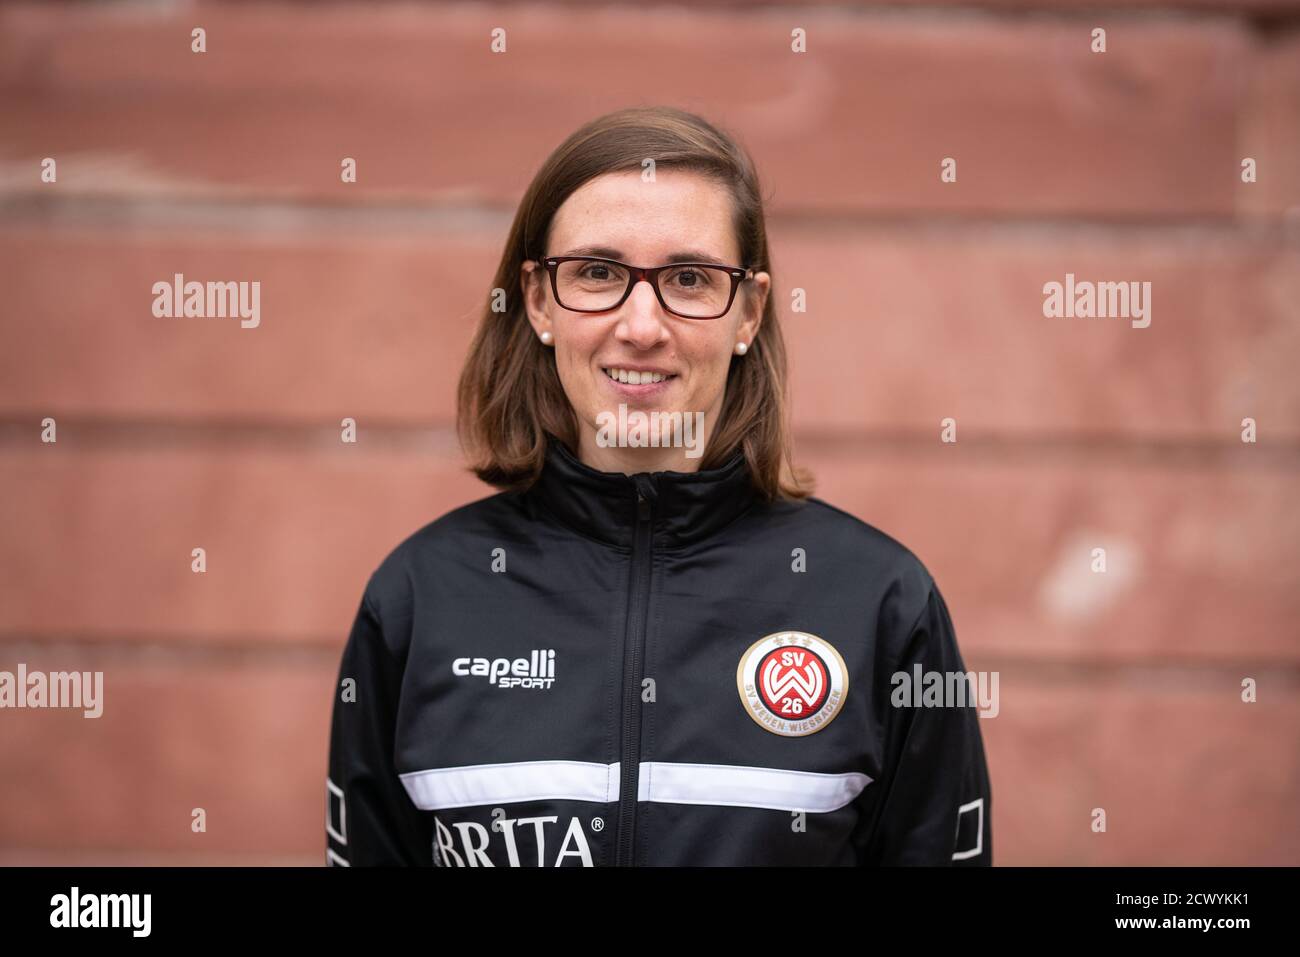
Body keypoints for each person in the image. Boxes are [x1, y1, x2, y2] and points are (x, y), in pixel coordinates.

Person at [325, 105, 991, 867]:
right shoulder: (418, 597)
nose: (642, 325)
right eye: (599, 272)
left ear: (749, 312)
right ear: (538, 301)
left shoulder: (882, 603)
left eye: (689, 278)